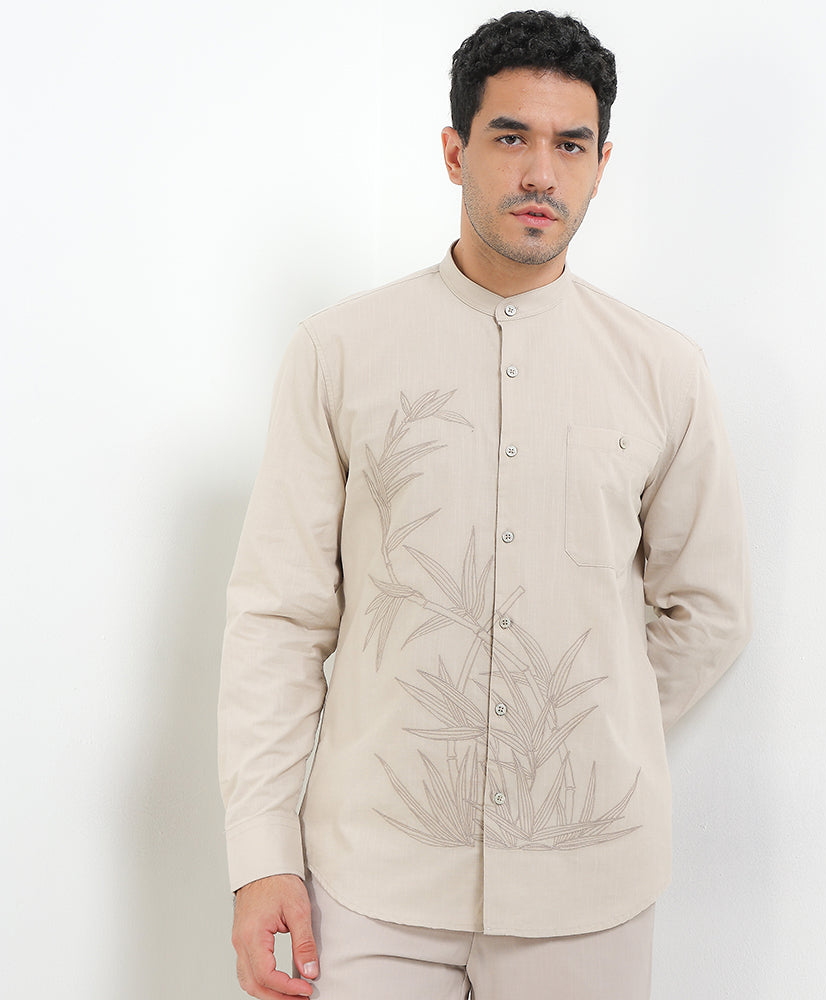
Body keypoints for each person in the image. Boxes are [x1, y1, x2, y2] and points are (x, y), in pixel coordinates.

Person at [219, 10, 752, 999]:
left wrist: (585, 729)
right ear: (455, 151)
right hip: (372, 879)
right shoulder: (338, 353)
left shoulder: (663, 372)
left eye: (571, 145)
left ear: (600, 165)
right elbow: (278, 617)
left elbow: (708, 608)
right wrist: (261, 856)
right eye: (511, 137)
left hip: (586, 889)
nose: (541, 172)